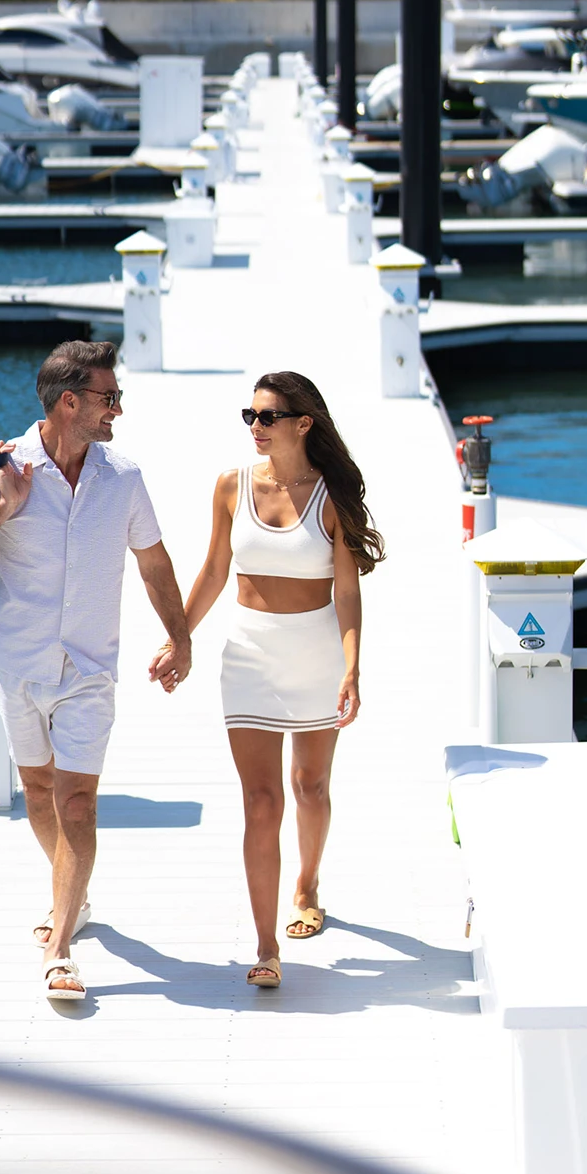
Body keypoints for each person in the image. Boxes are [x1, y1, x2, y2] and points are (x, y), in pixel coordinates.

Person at [0, 340, 191, 1005]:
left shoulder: (123, 477)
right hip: (18, 660)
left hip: (90, 666)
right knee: (39, 791)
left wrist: (179, 636)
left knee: (77, 800)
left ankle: (60, 945)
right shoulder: (4, 469)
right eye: (109, 398)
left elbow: (154, 563)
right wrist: (3, 510)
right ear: (69, 402)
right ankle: (72, 892)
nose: (118, 411)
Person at [179, 372, 384, 988]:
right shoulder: (230, 486)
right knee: (261, 801)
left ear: (303, 423)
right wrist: (179, 636)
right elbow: (215, 569)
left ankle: (307, 883)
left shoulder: (332, 497)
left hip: (316, 656)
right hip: (247, 657)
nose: (256, 427)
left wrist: (352, 664)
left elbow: (346, 590)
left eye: (268, 416)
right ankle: (266, 947)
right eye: (250, 415)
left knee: (310, 785)